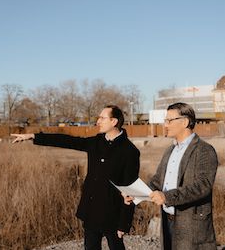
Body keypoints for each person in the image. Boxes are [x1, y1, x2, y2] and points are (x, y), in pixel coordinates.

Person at [12, 105, 140, 250]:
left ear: (114, 121)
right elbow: (66, 140)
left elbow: (131, 191)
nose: (98, 121)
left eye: (102, 118)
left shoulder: (129, 151)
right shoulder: (95, 143)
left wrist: (124, 223)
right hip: (91, 211)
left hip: (113, 215)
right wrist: (33, 136)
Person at [125, 102, 218, 250]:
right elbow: (157, 181)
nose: (165, 125)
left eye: (169, 120)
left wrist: (167, 197)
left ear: (185, 122)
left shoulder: (204, 150)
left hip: (191, 223)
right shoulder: (170, 150)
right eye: (165, 121)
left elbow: (203, 186)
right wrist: (135, 194)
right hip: (167, 219)